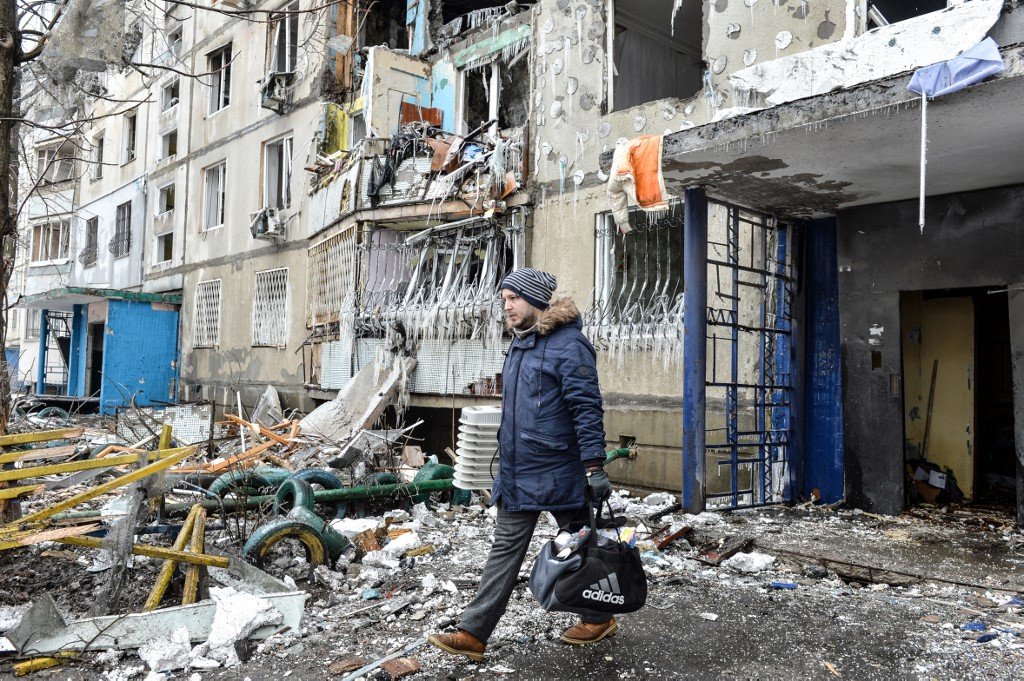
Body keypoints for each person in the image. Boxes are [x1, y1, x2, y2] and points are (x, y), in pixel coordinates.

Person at [428, 268, 615, 662]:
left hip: (560, 471)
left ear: (535, 300)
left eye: (513, 298)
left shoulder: (570, 345)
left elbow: (587, 408)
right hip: (520, 471)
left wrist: (594, 466)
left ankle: (598, 617)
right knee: (506, 550)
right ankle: (474, 633)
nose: (507, 307)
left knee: (578, 547)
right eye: (504, 300)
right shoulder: (521, 345)